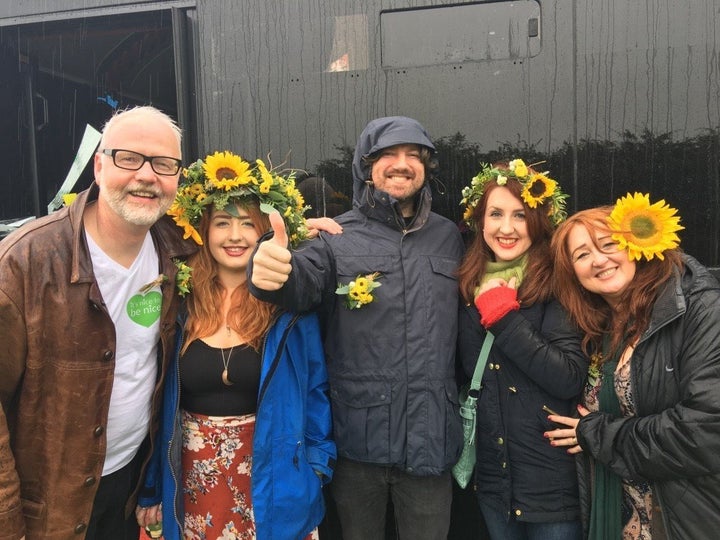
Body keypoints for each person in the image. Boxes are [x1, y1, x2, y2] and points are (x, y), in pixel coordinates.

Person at [248, 116, 464, 539]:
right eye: (387, 155)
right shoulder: (334, 236)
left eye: (413, 156)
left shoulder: (450, 238)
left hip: (430, 443)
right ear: (366, 167)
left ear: (425, 168)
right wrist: (271, 269)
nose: (401, 164)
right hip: (356, 444)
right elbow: (299, 285)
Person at [0, 105, 196, 540]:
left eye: (164, 164)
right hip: (48, 505)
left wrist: (299, 240)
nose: (147, 176)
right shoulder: (25, 263)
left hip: (126, 487)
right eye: (129, 158)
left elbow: (237, 241)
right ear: (99, 164)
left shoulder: (178, 250)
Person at [135, 151, 337, 540]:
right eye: (222, 222)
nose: (234, 236)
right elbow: (157, 403)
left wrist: (315, 470)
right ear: (203, 230)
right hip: (194, 483)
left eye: (249, 224)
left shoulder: (289, 309)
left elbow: (316, 393)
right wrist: (153, 486)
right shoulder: (178, 301)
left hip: (275, 481)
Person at [546, 194, 720, 540]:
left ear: (637, 243)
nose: (598, 260)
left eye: (608, 244)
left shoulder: (700, 309)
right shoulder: (600, 329)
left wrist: (597, 434)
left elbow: (706, 431)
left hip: (682, 520)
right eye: (582, 255)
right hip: (620, 516)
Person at [456, 159, 587, 540]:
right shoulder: (467, 286)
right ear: (480, 222)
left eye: (520, 214)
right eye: (495, 214)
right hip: (495, 482)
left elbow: (568, 377)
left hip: (550, 485)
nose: (507, 228)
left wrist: (504, 319)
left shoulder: (559, 282)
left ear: (539, 221)